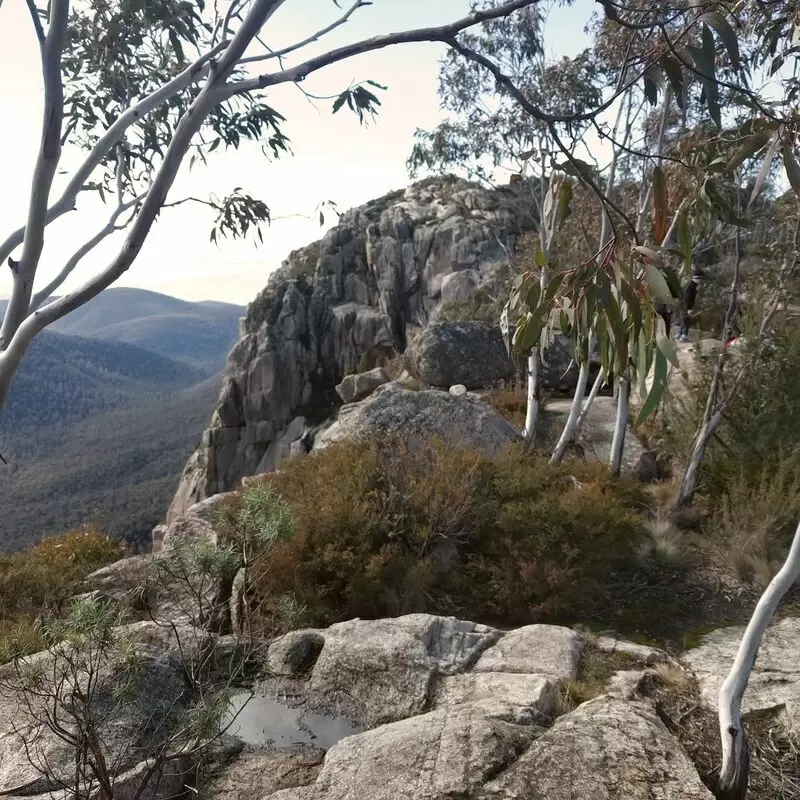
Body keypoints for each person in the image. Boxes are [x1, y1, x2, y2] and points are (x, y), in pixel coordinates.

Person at [677, 266, 705, 342]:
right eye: (701, 279)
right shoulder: (691, 286)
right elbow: (687, 298)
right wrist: (689, 308)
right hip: (685, 306)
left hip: (682, 305)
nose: (701, 282)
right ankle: (683, 336)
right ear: (698, 278)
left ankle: (679, 333)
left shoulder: (690, 285)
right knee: (686, 320)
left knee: (683, 319)